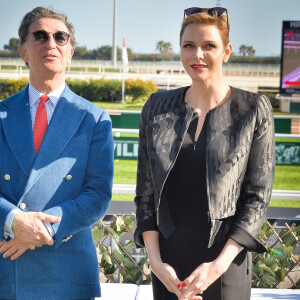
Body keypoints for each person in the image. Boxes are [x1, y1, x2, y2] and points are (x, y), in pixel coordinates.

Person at [134, 7, 275, 300]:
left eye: (208, 46)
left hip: (224, 266)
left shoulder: (253, 109)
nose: (197, 54)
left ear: (226, 51)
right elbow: (145, 194)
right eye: (189, 46)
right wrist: (157, 263)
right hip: (169, 268)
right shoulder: (157, 107)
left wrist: (216, 267)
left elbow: (257, 199)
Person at [0, 7, 114, 299]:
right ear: (23, 51)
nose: (51, 43)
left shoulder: (94, 119)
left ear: (70, 52)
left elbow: (98, 194)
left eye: (60, 37)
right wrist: (13, 220)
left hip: (67, 270)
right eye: (40, 36)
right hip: (7, 264)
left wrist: (41, 231)